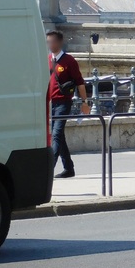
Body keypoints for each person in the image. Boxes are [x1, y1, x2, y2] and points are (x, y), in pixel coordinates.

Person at [46, 31, 89, 179]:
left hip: (64, 102)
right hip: (52, 103)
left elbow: (80, 83)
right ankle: (69, 168)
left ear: (59, 42)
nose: (50, 45)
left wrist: (84, 102)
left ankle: (48, 169)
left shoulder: (69, 61)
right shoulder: (48, 60)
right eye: (48, 42)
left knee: (56, 135)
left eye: (52, 42)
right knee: (59, 136)